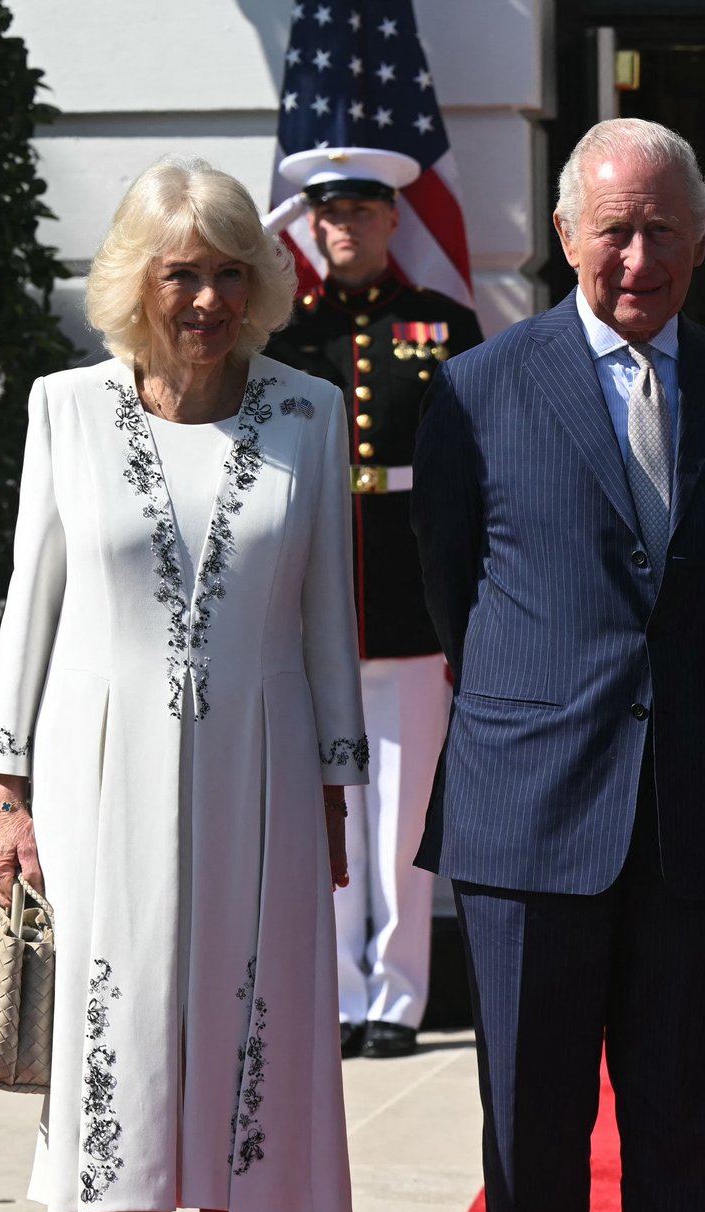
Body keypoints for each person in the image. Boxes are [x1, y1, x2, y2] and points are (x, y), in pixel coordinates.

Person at [410, 118, 705, 1212]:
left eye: (663, 230)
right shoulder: (474, 391)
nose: (638, 258)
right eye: (613, 231)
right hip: (528, 816)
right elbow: (454, 589)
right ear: (567, 238)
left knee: (689, 1129)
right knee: (530, 1135)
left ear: (700, 237)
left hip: (693, 817)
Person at [0, 156, 364, 1212]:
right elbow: (30, 600)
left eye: (227, 273)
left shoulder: (311, 411)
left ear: (260, 285)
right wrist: (9, 787)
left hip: (260, 787)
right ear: (135, 279)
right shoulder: (64, 411)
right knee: (123, 1079)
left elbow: (325, 623)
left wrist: (336, 788)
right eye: (180, 271)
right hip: (95, 788)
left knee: (244, 1066)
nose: (205, 297)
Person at [264, 146, 485, 1060]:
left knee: (400, 817)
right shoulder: (287, 337)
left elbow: (478, 466)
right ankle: (339, 991)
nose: (343, 228)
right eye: (327, 215)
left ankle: (396, 997)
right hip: (315, 604)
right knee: (327, 806)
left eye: (360, 213)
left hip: (409, 606)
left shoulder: (440, 325)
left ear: (395, 221)